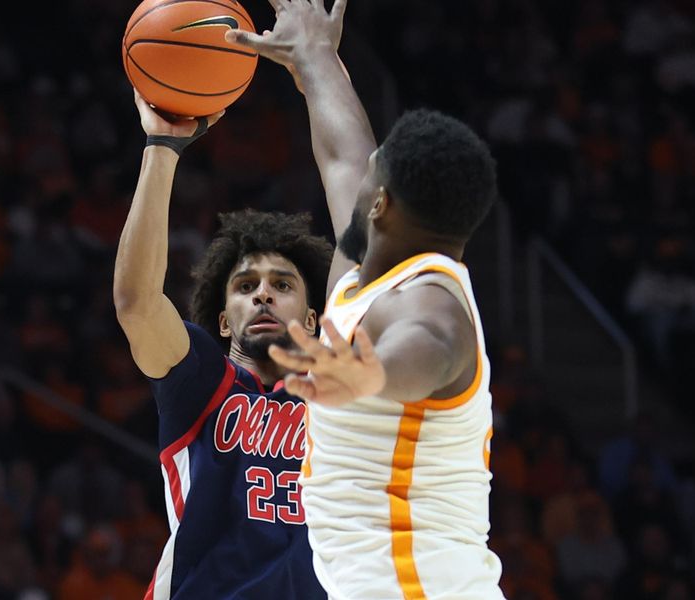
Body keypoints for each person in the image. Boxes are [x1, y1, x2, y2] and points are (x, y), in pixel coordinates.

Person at [229, 0, 506, 597]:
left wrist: (373, 374)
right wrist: (315, 56)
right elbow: (342, 155)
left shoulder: (432, 303)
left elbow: (427, 349)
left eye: (374, 176)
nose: (363, 174)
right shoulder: (365, 268)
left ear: (380, 205)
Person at [113, 94, 332, 596]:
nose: (262, 294)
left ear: (314, 319)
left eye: (282, 285)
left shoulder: (344, 403)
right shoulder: (203, 381)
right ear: (224, 321)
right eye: (245, 285)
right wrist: (162, 147)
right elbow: (135, 303)